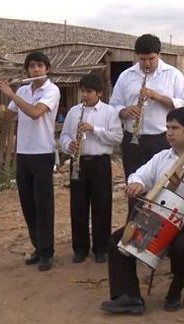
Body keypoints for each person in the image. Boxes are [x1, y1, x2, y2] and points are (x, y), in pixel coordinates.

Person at [101, 108, 184, 314]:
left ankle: (175, 290)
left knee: (183, 247)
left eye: (175, 128)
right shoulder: (162, 157)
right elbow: (139, 175)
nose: (169, 133)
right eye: (167, 128)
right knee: (119, 242)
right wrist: (135, 184)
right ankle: (128, 297)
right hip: (159, 217)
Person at [0, 51, 61, 271]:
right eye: (32, 66)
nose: (35, 70)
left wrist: (11, 94)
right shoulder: (24, 89)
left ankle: (47, 252)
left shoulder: (52, 90)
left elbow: (35, 113)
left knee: (43, 205)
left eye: (39, 66)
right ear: (27, 70)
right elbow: (6, 117)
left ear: (47, 69)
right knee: (28, 204)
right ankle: (38, 246)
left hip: (43, 153)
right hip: (23, 153)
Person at [110, 33, 184, 216]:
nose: (147, 64)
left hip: (162, 139)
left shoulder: (173, 75)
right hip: (133, 139)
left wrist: (158, 97)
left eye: (151, 59)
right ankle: (135, 232)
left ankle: (159, 231)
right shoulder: (126, 76)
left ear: (159, 55)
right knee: (134, 186)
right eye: (142, 59)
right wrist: (125, 111)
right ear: (136, 56)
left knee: (163, 186)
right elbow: (113, 105)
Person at [60, 74, 123, 264]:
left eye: (89, 91)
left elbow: (117, 138)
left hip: (100, 163)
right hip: (78, 162)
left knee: (101, 206)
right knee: (78, 206)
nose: (84, 95)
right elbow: (63, 137)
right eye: (83, 91)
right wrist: (68, 145)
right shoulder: (73, 112)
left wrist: (94, 129)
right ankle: (80, 248)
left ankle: (101, 249)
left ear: (99, 93)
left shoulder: (109, 112)